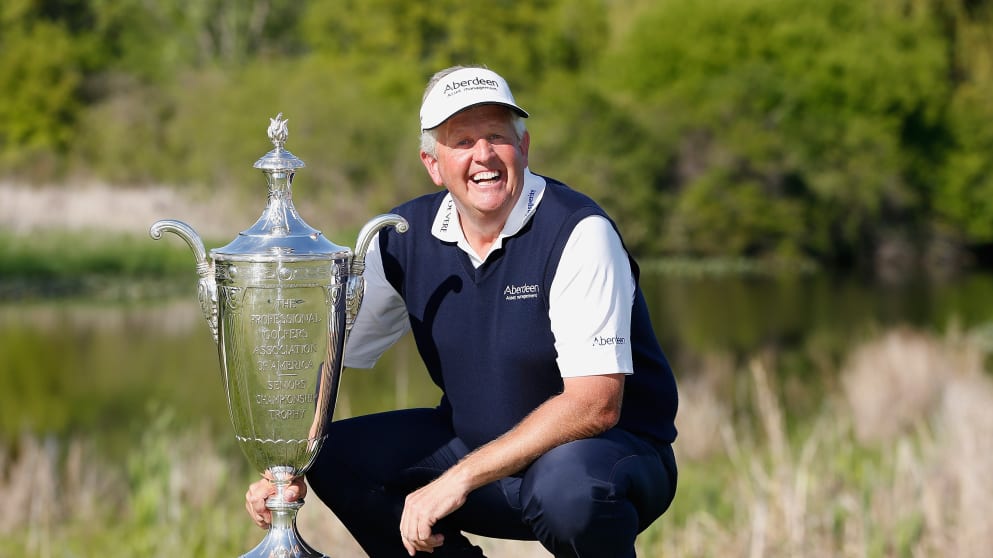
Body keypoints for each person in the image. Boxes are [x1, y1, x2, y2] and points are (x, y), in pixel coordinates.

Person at [245, 65, 679, 557]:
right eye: (463, 141)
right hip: (478, 447)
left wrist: (458, 479)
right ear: (433, 163)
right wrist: (287, 466)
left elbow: (596, 403)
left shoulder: (579, 232)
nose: (484, 155)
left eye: (497, 136)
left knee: (567, 491)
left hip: (609, 460)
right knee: (336, 456)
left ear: (525, 146)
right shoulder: (399, 237)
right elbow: (335, 352)